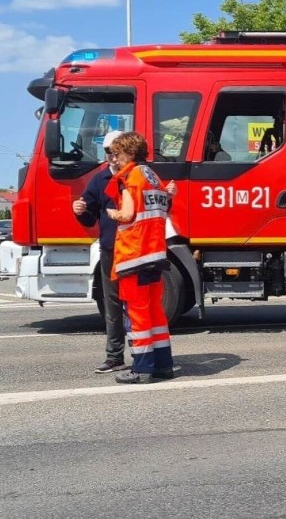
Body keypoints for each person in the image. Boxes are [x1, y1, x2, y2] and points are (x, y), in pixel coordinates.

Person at [105, 131, 175, 384]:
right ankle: (163, 365)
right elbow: (163, 207)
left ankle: (142, 368)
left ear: (129, 153)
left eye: (117, 153)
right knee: (155, 313)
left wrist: (112, 213)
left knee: (138, 317)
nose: (114, 158)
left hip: (133, 256)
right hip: (154, 255)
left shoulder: (130, 177)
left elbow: (127, 215)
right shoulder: (153, 177)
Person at [72, 130, 126, 374]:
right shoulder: (99, 179)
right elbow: (90, 216)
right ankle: (114, 356)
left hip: (137, 249)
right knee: (112, 305)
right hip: (111, 249)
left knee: (139, 304)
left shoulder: (138, 175)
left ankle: (146, 357)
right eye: (108, 152)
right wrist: (80, 210)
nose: (112, 157)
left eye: (117, 152)